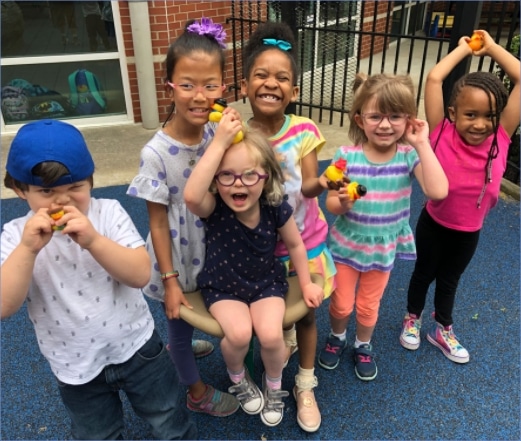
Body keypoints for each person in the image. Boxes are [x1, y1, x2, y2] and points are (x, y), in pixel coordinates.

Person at [0, 119, 197, 440]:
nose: (62, 201)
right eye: (46, 191)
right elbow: (4, 305)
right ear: (20, 190)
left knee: (168, 417)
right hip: (74, 365)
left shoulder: (108, 213)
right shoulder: (15, 236)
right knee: (97, 435)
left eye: (75, 187)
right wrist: (27, 249)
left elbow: (140, 274)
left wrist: (94, 241)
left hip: (137, 346)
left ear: (91, 181)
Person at [126, 18, 239, 417]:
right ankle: (196, 392)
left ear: (223, 88)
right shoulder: (155, 153)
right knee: (178, 320)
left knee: (203, 312)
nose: (200, 96)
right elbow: (157, 222)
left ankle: (186, 345)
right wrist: (170, 281)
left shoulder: (213, 134)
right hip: (176, 255)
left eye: (210, 85)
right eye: (188, 85)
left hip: (213, 246)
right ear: (169, 87)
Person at [184, 128, 325, 427]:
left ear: (266, 176)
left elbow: (295, 244)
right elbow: (192, 196)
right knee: (238, 335)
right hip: (223, 288)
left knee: (272, 336)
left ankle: (274, 385)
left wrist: (307, 283)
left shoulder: (274, 207)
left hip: (265, 285)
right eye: (227, 175)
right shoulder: (214, 207)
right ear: (215, 179)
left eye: (250, 175)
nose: (238, 183)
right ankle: (238, 378)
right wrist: (218, 143)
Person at [399, 29, 520, 363]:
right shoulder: (441, 131)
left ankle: (443, 329)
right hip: (433, 223)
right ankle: (412, 318)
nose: (480, 124)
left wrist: (492, 48)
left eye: (489, 116)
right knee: (423, 273)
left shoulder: (502, 137)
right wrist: (465, 49)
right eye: (471, 114)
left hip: (469, 231)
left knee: (450, 280)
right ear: (453, 114)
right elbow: (435, 79)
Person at [318, 73, 449, 381]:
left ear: (409, 120)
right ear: (360, 119)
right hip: (346, 245)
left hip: (382, 248)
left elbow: (438, 191)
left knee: (368, 305)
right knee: (341, 303)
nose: (386, 125)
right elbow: (331, 204)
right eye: (376, 116)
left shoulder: (408, 156)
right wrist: (343, 203)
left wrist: (422, 143)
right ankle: (337, 337)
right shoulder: (346, 156)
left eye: (395, 116)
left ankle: (363, 344)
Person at [240, 21, 336, 433]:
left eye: (282, 78)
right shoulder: (237, 134)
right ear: (245, 85)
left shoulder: (304, 130)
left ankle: (305, 384)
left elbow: (309, 186)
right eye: (261, 75)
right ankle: (273, 368)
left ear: (294, 91)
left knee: (306, 316)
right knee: (271, 322)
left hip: (305, 243)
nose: (271, 83)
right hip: (259, 250)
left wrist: (326, 182)